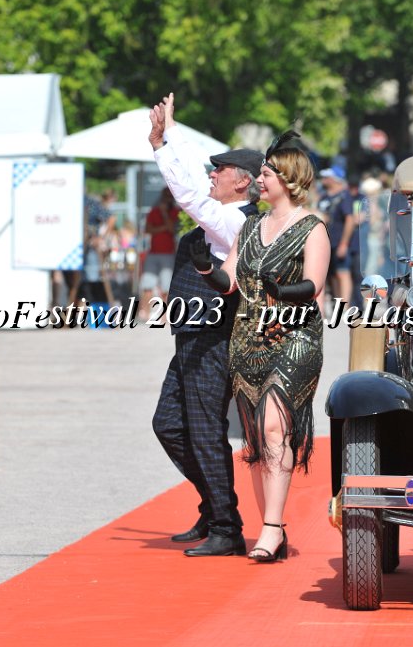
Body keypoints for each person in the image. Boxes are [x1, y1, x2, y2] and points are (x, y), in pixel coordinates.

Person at [191, 131, 329, 562]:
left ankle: (271, 527)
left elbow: (314, 286)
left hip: (295, 336)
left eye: (266, 174)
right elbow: (230, 281)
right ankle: (272, 529)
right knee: (254, 440)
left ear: (288, 179)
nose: (259, 180)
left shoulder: (312, 228)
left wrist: (282, 292)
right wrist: (206, 269)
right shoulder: (251, 226)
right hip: (247, 339)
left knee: (273, 427)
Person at [149, 92, 263, 557]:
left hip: (213, 339)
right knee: (168, 425)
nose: (212, 174)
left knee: (203, 431)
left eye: (222, 170)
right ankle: (216, 507)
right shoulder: (224, 212)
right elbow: (197, 176)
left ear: (244, 182)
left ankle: (225, 527)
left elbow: (190, 192)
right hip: (192, 339)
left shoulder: (237, 223)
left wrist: (164, 145)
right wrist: (169, 136)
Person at [317, 167, 356, 305]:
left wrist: (344, 244)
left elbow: (350, 220)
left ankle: (344, 308)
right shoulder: (324, 196)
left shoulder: (344, 196)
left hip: (339, 242)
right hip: (326, 243)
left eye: (327, 177)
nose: (324, 180)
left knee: (342, 272)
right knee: (332, 275)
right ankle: (337, 304)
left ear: (335, 179)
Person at [139, 187, 179, 317]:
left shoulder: (175, 212)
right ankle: (145, 313)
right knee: (147, 284)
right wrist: (164, 227)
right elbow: (148, 230)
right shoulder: (153, 211)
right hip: (153, 252)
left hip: (168, 253)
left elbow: (171, 229)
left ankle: (165, 315)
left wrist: (164, 214)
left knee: (166, 286)